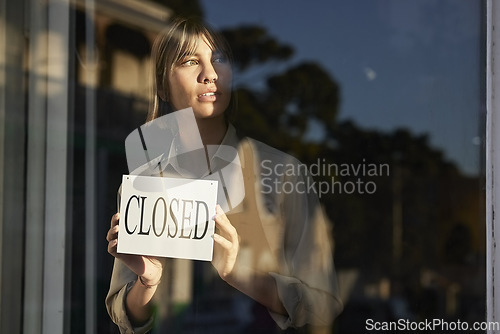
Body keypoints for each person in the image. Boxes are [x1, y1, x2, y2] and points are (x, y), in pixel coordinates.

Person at [106, 17, 343, 333]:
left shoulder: (283, 173)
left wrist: (237, 272)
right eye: (191, 61)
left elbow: (323, 307)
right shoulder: (144, 186)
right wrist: (147, 282)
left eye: (219, 59)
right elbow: (126, 319)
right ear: (162, 85)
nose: (211, 74)